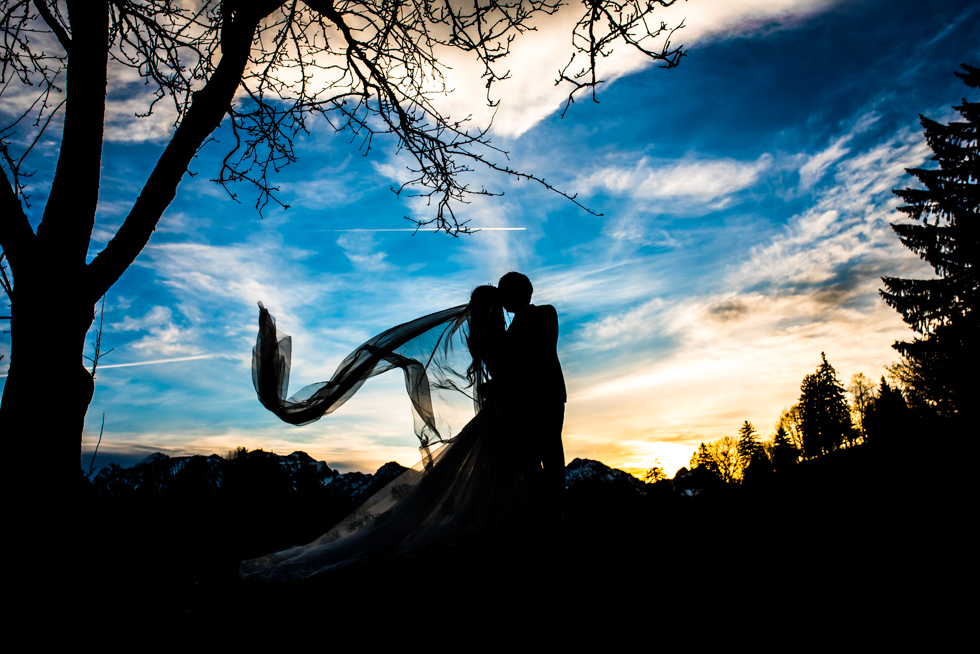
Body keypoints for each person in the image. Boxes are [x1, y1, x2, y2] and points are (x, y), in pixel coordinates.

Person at [240, 285, 532, 581]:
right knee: (496, 471)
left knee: (494, 471)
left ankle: (499, 522)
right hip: (502, 413)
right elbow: (512, 367)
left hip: (499, 413)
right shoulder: (496, 336)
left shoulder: (481, 335)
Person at [497, 272, 567, 524]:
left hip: (546, 395)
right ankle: (538, 512)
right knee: (527, 457)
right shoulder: (511, 327)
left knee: (550, 453)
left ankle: (556, 513)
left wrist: (506, 341)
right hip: (521, 401)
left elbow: (539, 350)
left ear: (519, 293)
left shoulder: (545, 313)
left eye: (504, 293)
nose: (502, 300)